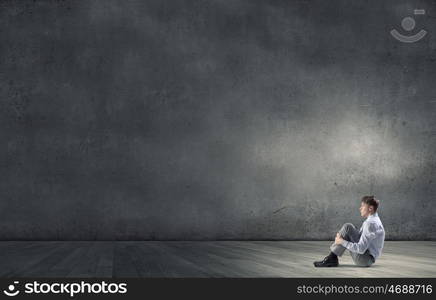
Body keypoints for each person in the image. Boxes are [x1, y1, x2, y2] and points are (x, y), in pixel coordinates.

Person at [313, 195, 385, 267]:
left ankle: (332, 258)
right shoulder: (374, 219)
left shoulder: (370, 224)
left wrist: (341, 241)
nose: (360, 208)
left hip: (365, 260)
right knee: (348, 227)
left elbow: (361, 249)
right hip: (368, 257)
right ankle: (332, 258)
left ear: (370, 208)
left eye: (362, 206)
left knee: (347, 228)